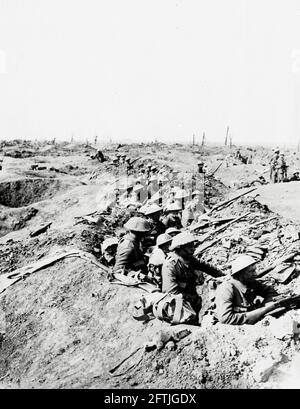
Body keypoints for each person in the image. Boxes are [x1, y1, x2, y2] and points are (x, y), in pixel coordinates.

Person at [215, 255, 279, 325]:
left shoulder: (249, 282)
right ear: (240, 273)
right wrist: (264, 310)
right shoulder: (226, 289)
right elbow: (225, 318)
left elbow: (270, 291)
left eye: (255, 270)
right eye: (251, 271)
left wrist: (264, 306)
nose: (255, 274)